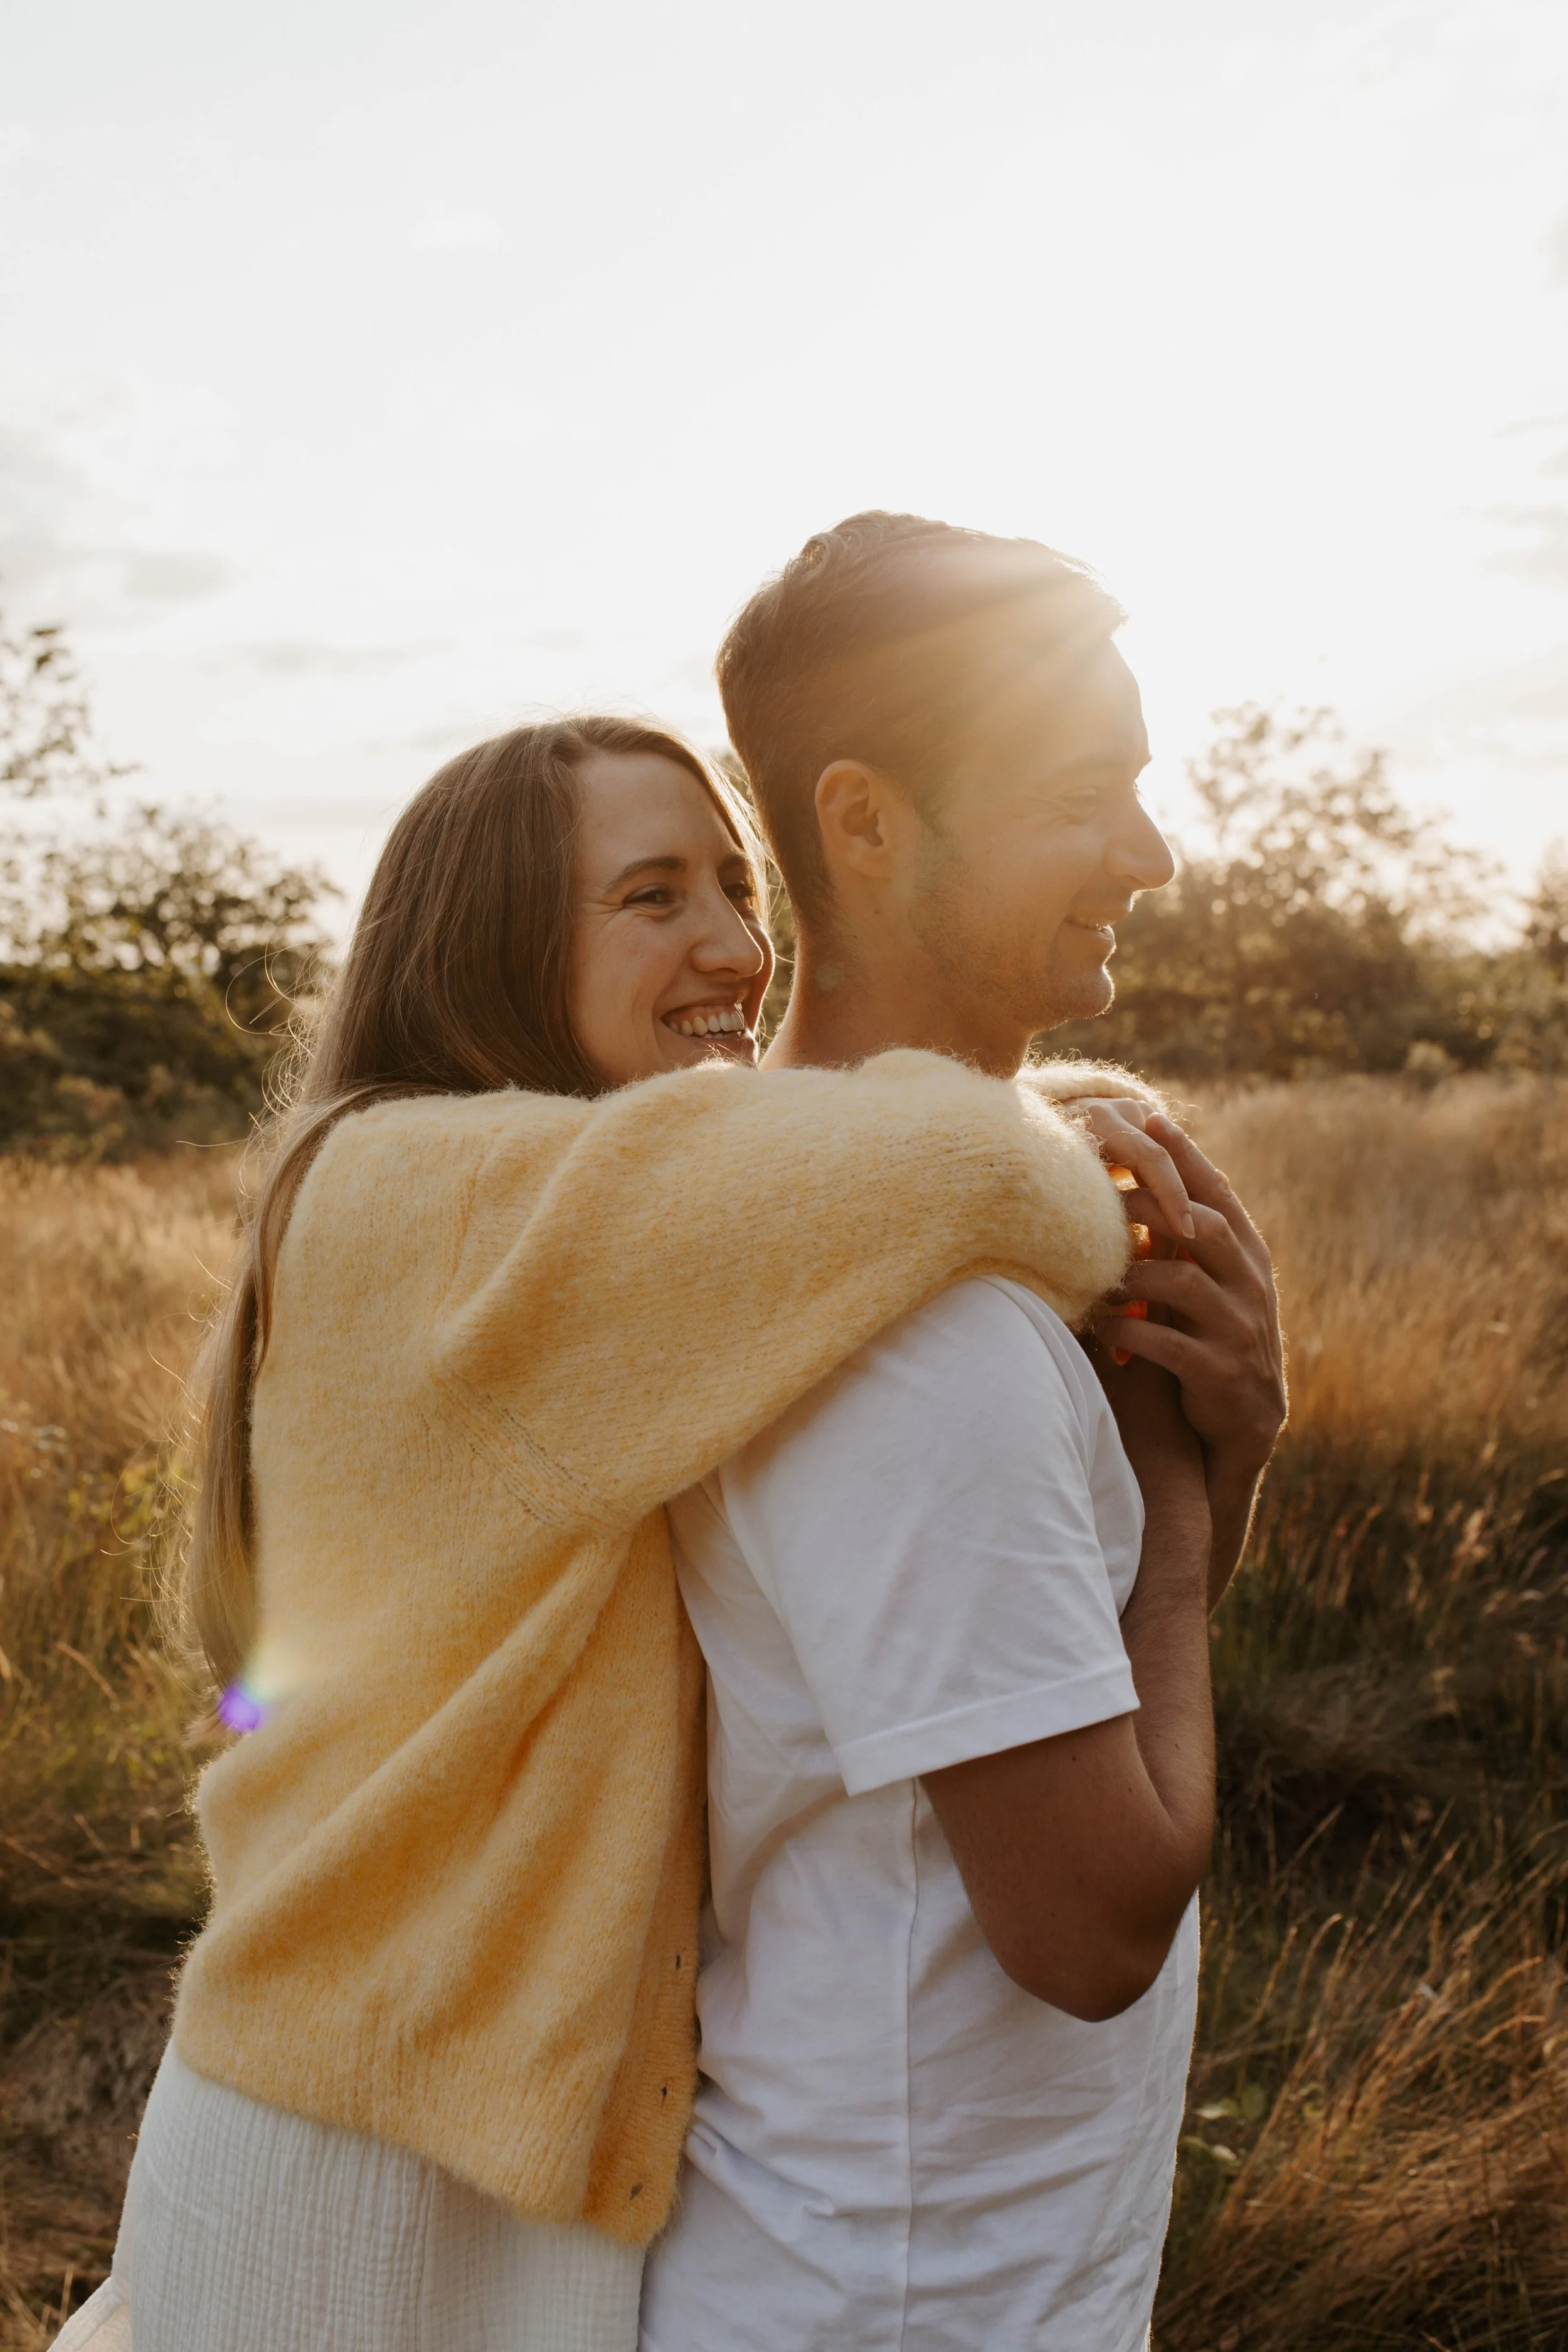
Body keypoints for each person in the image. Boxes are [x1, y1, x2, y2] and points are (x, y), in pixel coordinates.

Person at [55, 712, 1187, 2352]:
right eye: (651, 894)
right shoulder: (396, 1183)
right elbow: (937, 1164)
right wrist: (1091, 1136)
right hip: (361, 2131)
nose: (733, 940)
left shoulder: (600, 1252)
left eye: (737, 881)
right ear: (492, 943)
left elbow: (821, 1162)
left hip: (540, 2136)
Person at [638, 515, 1288, 2352]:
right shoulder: (919, 1325)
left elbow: (1021, 1696)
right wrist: (1177, 1484)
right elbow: (1085, 1929)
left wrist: (1204, 1469)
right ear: (863, 822)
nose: (1147, 854)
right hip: (893, 2297)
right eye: (1082, 791)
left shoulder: (832, 1222)